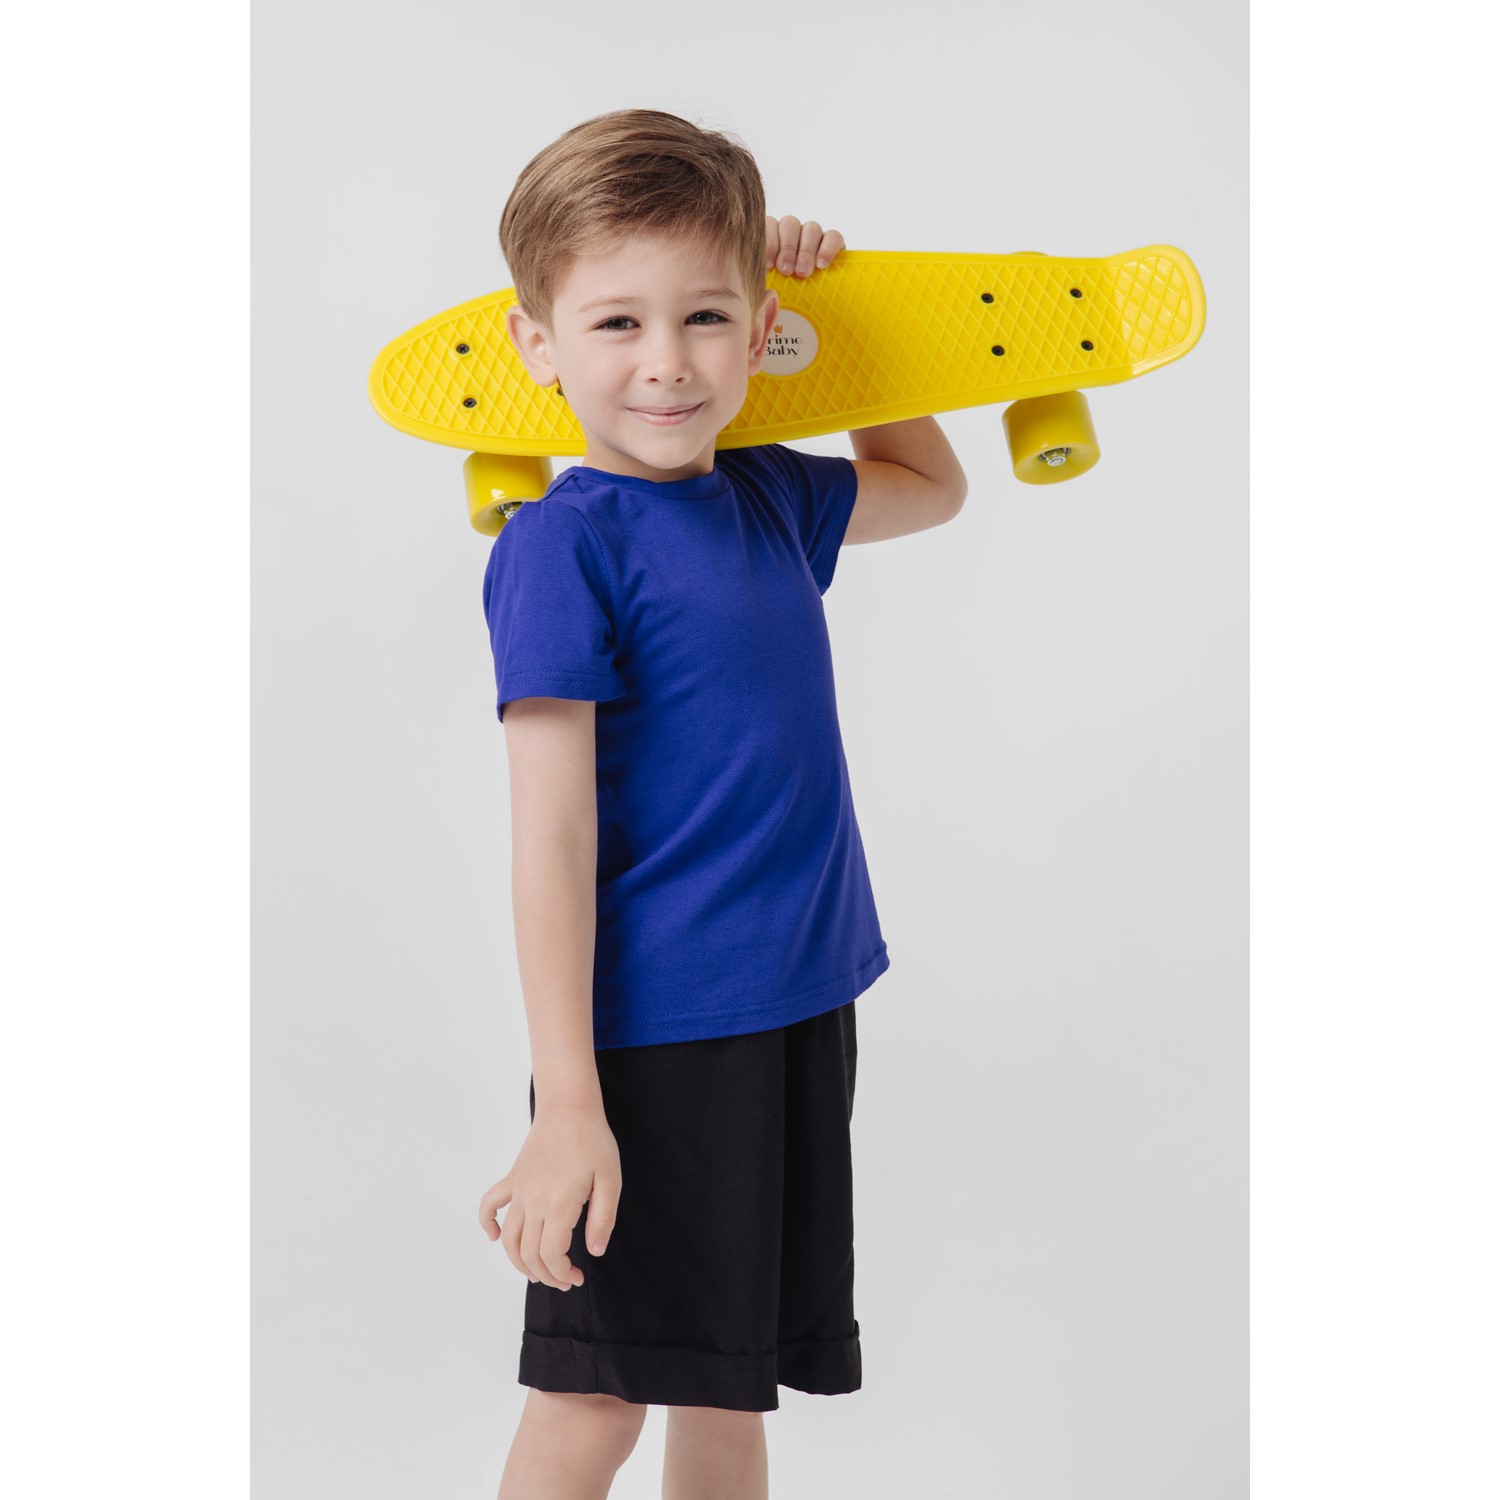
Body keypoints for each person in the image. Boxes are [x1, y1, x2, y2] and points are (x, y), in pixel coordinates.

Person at [476, 108, 967, 1500]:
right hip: (654, 1044)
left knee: (726, 1387)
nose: (668, 361)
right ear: (537, 344)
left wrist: (840, 314)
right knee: (595, 1401)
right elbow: (550, 839)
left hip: (797, 1005)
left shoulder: (768, 498)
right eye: (617, 323)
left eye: (706, 316)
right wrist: (569, 1104)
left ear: (759, 333)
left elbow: (933, 487)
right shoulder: (560, 545)